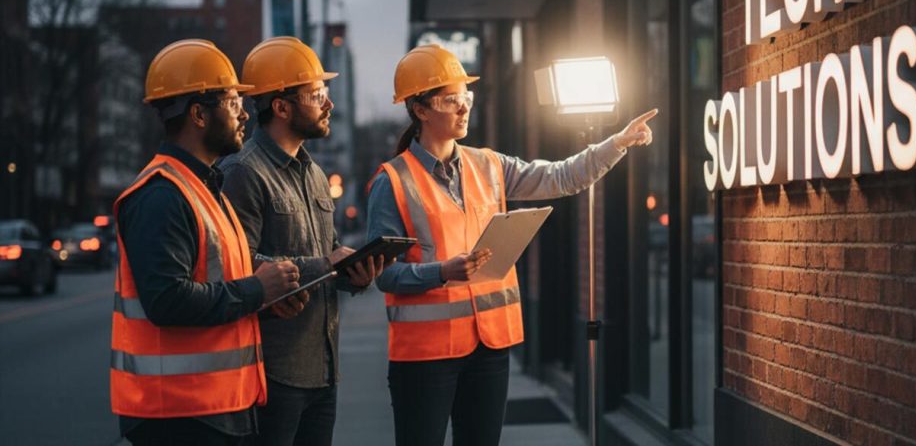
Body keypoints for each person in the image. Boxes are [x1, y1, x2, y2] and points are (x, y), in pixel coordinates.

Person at [367, 44, 658, 446]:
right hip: (425, 357)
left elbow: (561, 178)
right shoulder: (393, 181)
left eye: (466, 97)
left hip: (489, 346)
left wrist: (617, 143)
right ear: (420, 109)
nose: (464, 107)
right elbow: (383, 274)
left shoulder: (489, 164)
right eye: (452, 99)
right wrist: (442, 272)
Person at [112, 39, 302, 446]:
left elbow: (219, 284)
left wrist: (266, 300)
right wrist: (256, 289)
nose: (245, 114)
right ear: (198, 114)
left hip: (214, 409)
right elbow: (167, 301)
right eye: (234, 102)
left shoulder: (205, 187)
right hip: (180, 416)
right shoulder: (162, 194)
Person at [220, 36, 386, 446]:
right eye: (317, 94)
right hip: (273, 372)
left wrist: (354, 274)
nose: (329, 104)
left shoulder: (312, 172)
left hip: (321, 368)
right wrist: (326, 266)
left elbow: (327, 253)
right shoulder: (243, 172)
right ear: (281, 106)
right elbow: (236, 263)